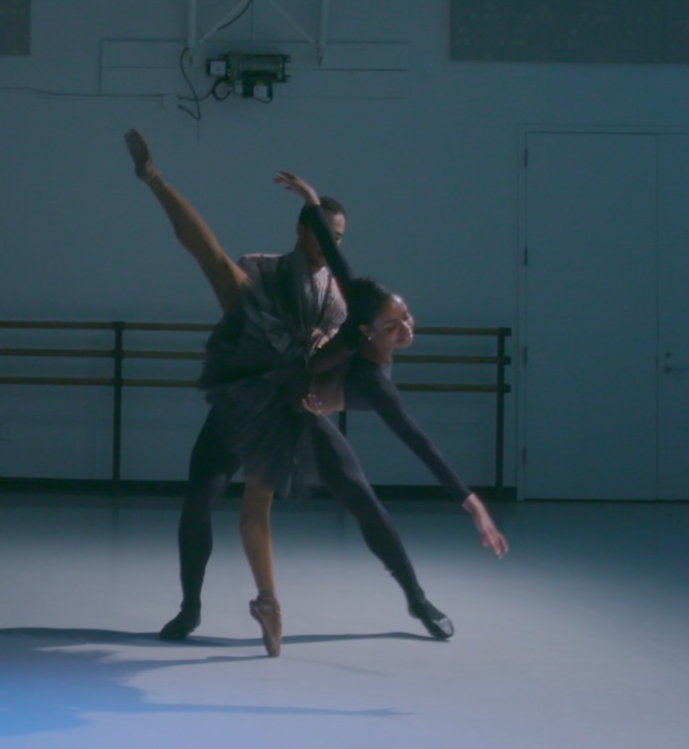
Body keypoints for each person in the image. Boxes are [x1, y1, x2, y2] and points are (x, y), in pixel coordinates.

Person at [126, 132, 507, 657]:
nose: (335, 245)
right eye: (328, 234)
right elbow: (209, 253)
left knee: (363, 499)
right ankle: (190, 605)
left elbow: (400, 418)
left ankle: (416, 599)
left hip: (299, 405)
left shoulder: (344, 296)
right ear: (306, 232)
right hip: (247, 398)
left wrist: (468, 500)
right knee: (200, 497)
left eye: (342, 237)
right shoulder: (266, 270)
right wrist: (157, 182)